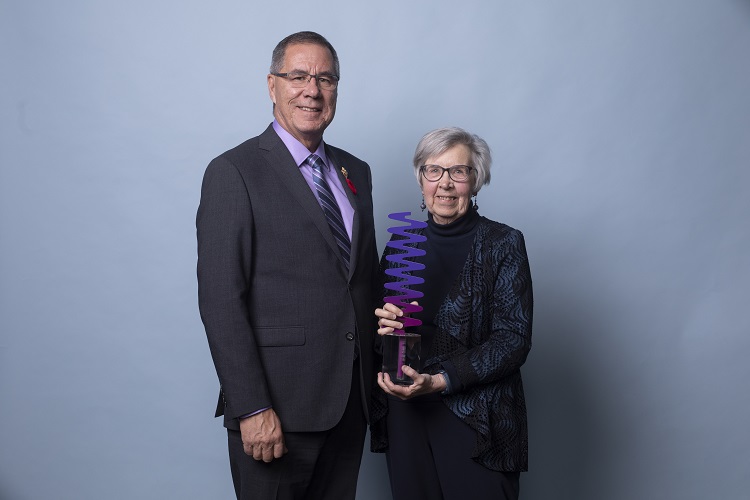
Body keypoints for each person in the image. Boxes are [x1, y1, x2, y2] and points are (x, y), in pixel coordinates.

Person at [196, 31, 378, 500]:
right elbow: (220, 300)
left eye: (325, 79)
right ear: (272, 84)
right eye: (298, 76)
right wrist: (252, 406)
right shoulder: (233, 172)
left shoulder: (355, 172)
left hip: (349, 405)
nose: (312, 90)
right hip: (276, 412)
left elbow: (362, 282)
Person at [371, 127, 533, 500]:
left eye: (458, 172)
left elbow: (514, 340)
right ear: (421, 179)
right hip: (407, 413)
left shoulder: (504, 244)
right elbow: (380, 327)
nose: (445, 184)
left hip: (477, 419)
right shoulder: (402, 242)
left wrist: (441, 380)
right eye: (434, 171)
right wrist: (383, 326)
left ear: (475, 182)